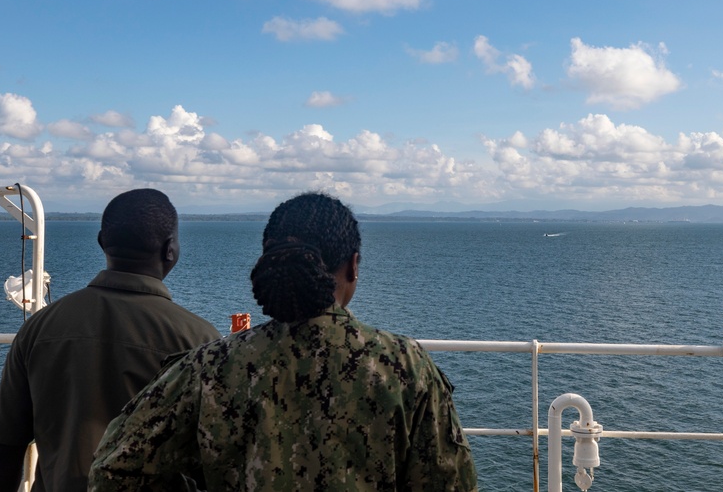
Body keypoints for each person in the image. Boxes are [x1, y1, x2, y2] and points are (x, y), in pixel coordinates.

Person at [89, 191, 478, 491]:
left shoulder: (210, 366)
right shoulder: (405, 366)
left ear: (269, 260)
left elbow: (115, 469)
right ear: (353, 266)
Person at [0, 188, 220, 492]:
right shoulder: (200, 341)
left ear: (101, 243)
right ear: (170, 249)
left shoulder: (39, 328)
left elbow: (3, 453)